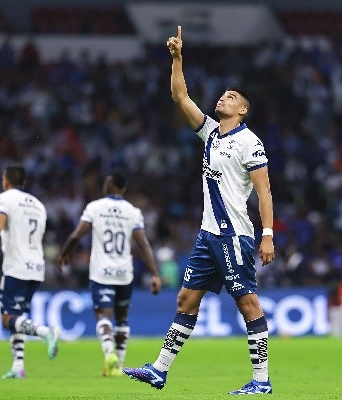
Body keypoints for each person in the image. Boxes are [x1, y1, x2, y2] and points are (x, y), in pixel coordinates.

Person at [122, 25, 275, 395]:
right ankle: (159, 370)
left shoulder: (249, 142)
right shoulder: (210, 133)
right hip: (208, 235)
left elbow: (265, 192)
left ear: (243, 109)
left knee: (248, 303)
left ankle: (262, 381)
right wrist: (177, 59)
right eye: (223, 94)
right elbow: (180, 96)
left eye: (232, 96)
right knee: (186, 299)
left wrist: (267, 234)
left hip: (234, 234)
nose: (223, 97)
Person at [57, 172, 162, 377]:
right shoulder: (133, 212)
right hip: (124, 273)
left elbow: (77, 234)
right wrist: (155, 274)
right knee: (122, 319)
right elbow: (143, 244)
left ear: (111, 185)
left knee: (103, 317)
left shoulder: (94, 208)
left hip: (101, 272)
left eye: (105, 182)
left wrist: (64, 254)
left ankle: (109, 354)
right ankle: (119, 365)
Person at [0, 165, 60, 379]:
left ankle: (44, 332)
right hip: (36, 267)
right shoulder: (39, 205)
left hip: (16, 266)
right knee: (18, 317)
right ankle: (18, 366)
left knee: (7, 318)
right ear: (24, 182)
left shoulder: (4, 198)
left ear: (5, 181)